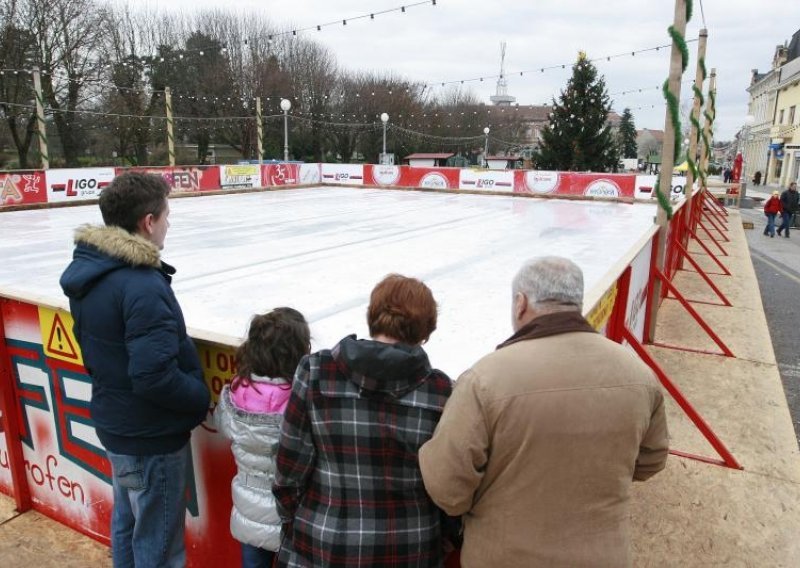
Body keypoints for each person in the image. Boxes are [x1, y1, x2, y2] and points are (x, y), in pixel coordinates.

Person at [418, 256, 669, 568]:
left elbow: (448, 488)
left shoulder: (487, 378)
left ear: (521, 303)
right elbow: (652, 459)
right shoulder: (638, 374)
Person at [60, 172, 210, 568]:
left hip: (119, 428)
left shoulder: (94, 271)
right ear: (148, 222)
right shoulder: (141, 285)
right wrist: (198, 394)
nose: (168, 224)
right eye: (166, 215)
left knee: (129, 523)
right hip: (151, 439)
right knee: (159, 546)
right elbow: (153, 375)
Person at [273, 274, 454, 567]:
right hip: (410, 548)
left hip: (324, 544)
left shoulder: (316, 371)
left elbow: (288, 470)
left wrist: (299, 523)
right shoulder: (441, 392)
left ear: (373, 317)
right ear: (425, 332)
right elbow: (448, 487)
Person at [215, 308, 311, 568]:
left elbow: (221, 424)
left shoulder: (238, 389)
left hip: (250, 511)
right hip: (289, 515)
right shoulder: (300, 397)